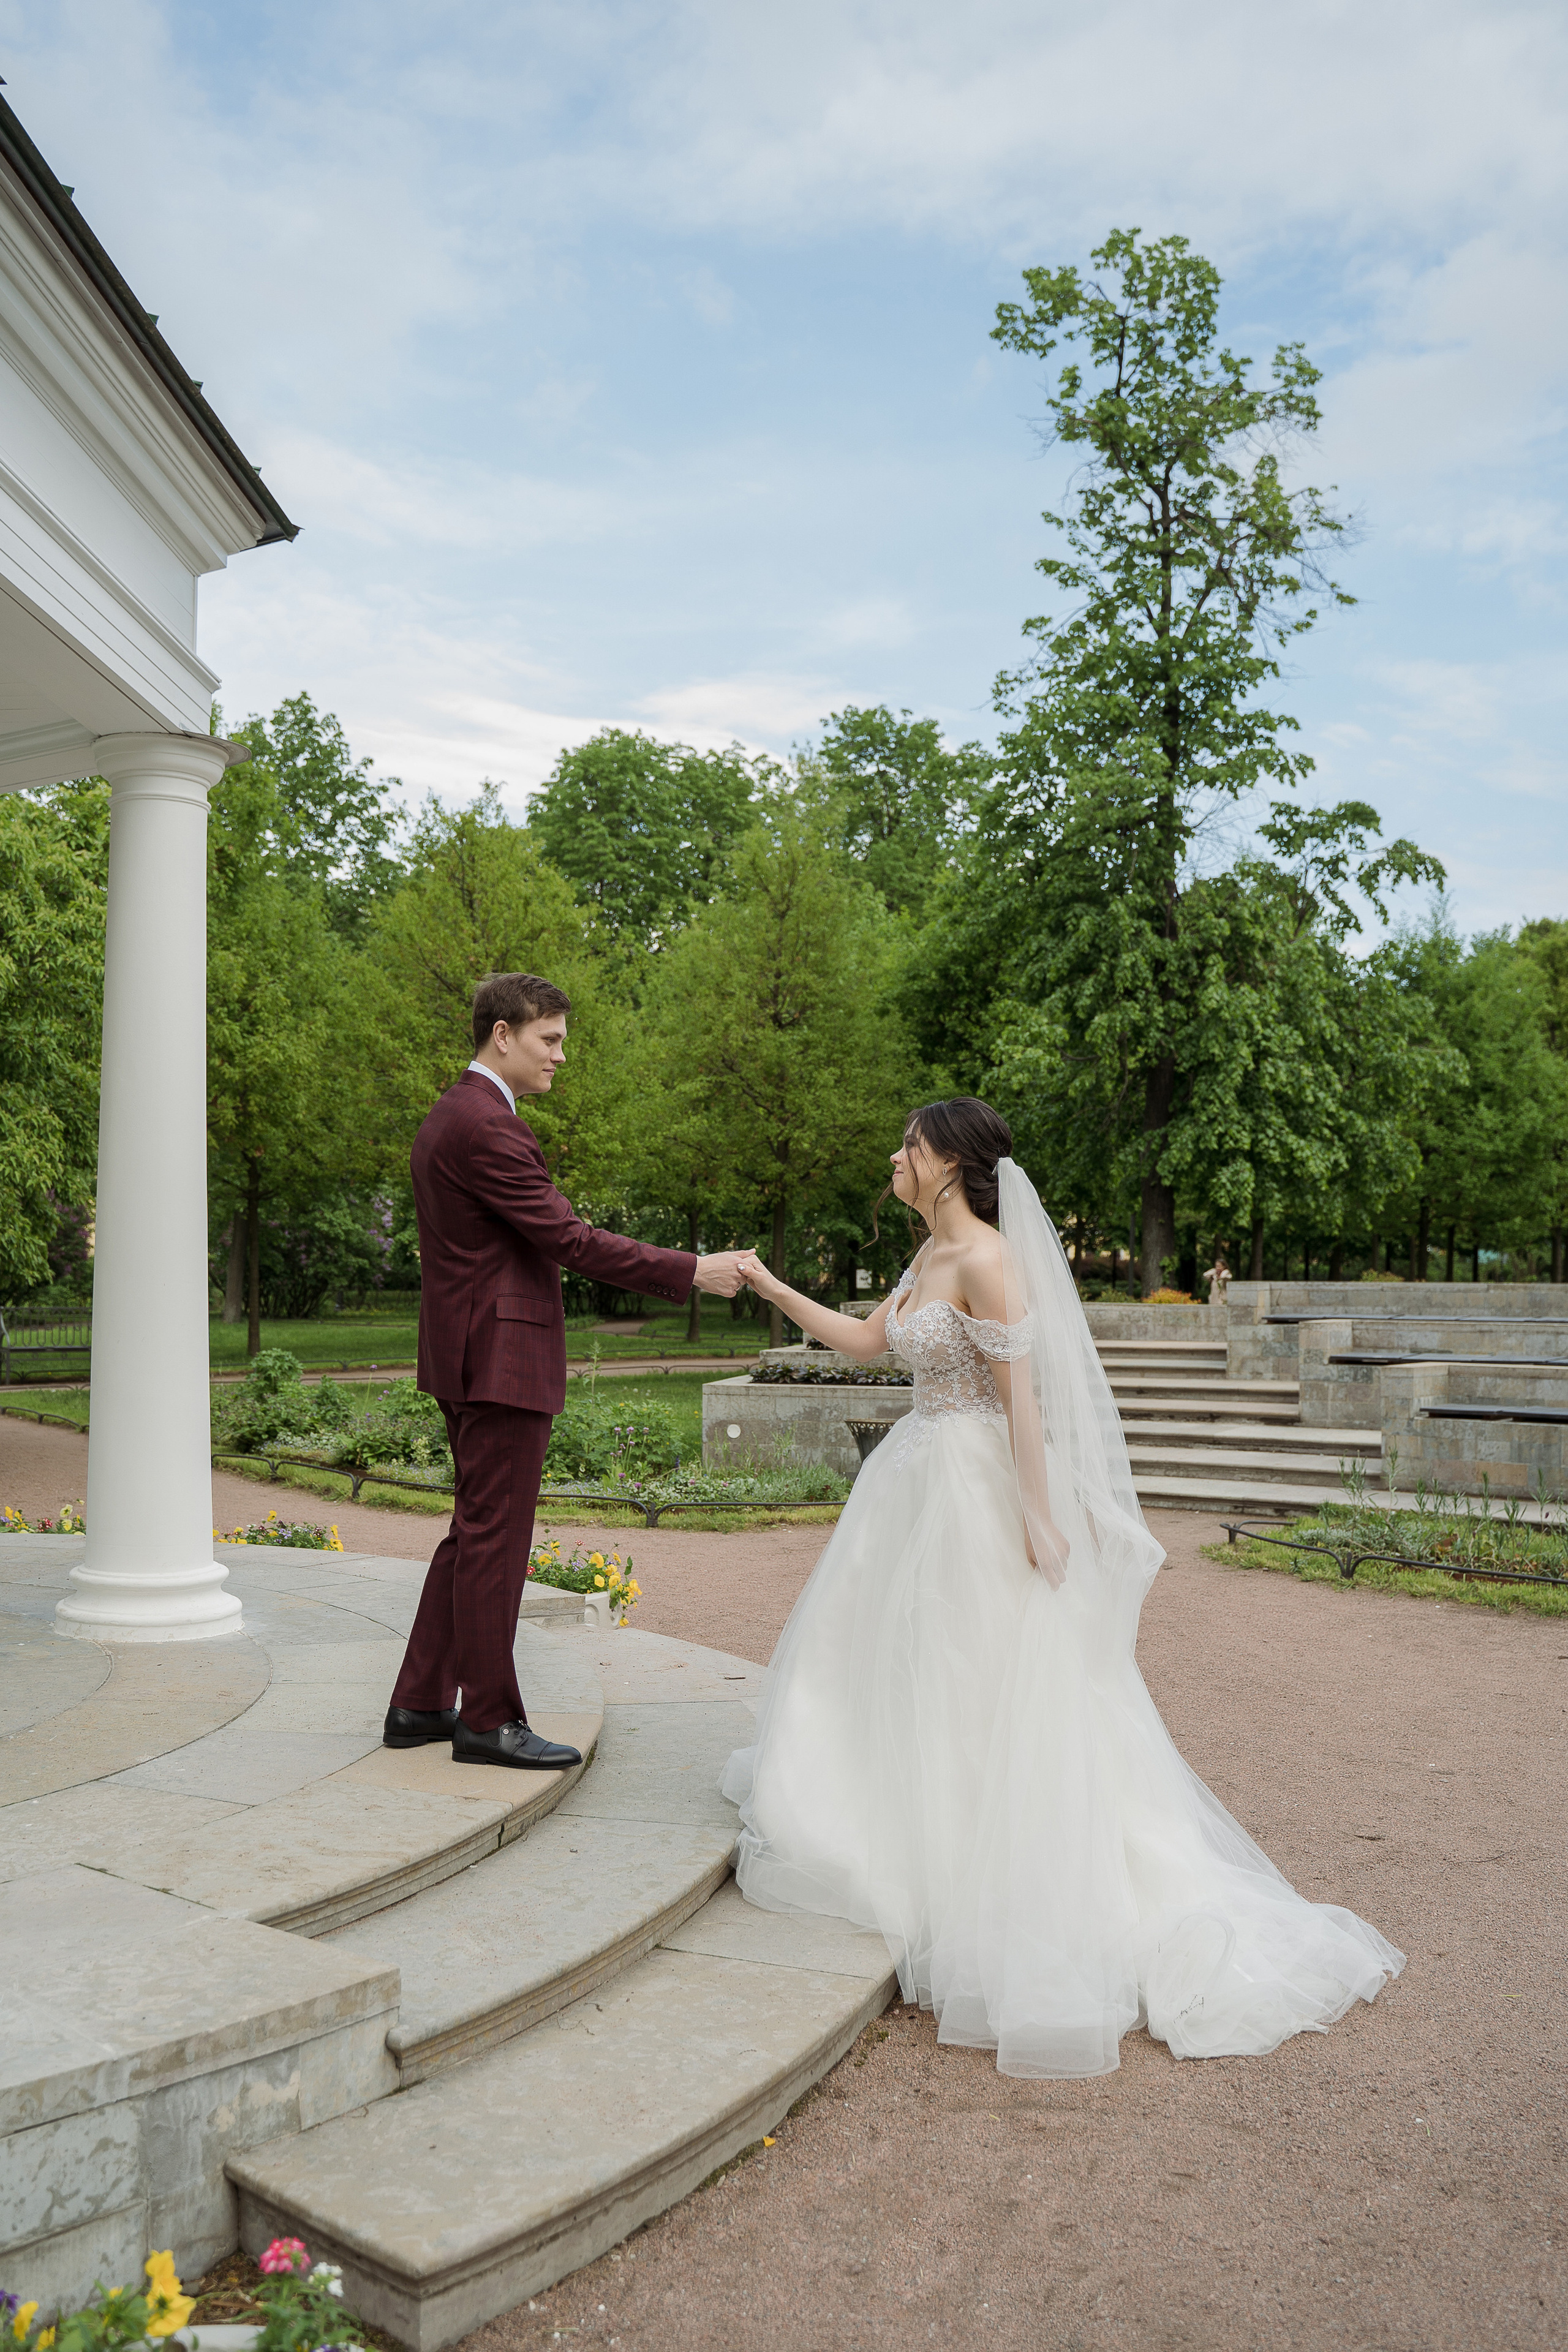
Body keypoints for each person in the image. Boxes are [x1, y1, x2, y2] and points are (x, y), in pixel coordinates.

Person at [725, 1098, 1402, 2078]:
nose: (894, 1156)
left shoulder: (991, 1262)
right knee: (900, 1667)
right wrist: (773, 1287)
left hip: (969, 1493)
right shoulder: (923, 1260)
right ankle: (904, 1851)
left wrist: (1040, 1518)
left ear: (949, 1164)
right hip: (908, 1484)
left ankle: (982, 1887)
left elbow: (1023, 1402)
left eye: (907, 1146)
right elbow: (870, 1347)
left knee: (982, 1678)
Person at [385, 972, 746, 1769]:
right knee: (494, 1541)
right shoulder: (487, 1126)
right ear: (502, 1034)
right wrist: (692, 1269)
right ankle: (487, 1720)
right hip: (499, 1360)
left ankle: (418, 1703)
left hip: (467, 1354)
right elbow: (570, 1240)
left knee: (470, 1535)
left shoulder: (456, 1114)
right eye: (549, 1040)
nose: (560, 1057)